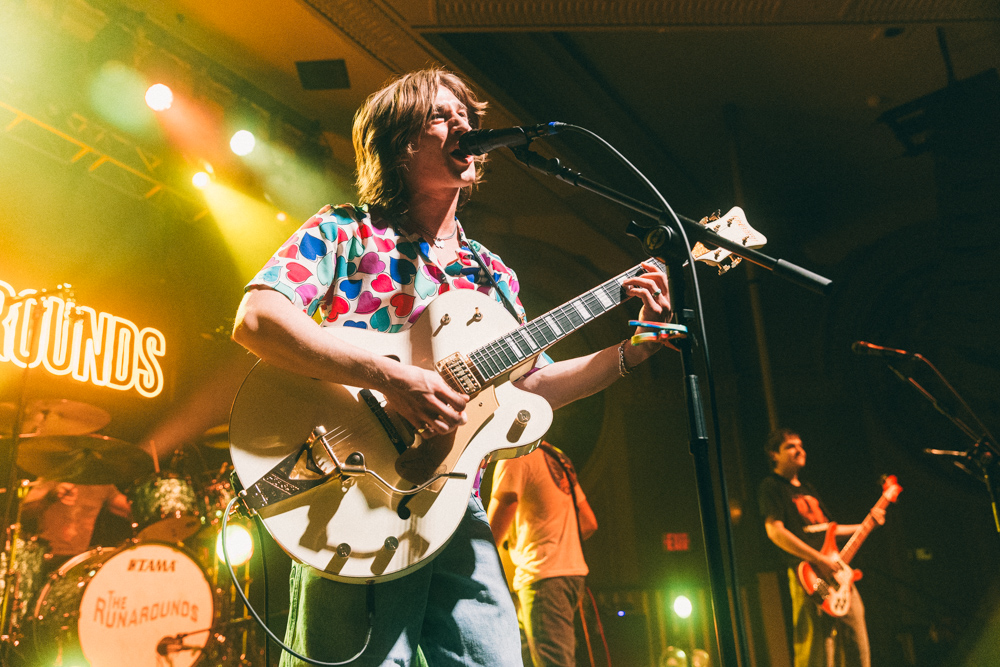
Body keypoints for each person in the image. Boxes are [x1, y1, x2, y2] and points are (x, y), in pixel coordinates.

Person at [231, 67, 671, 666]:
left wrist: (631, 352)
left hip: (452, 500)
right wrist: (390, 377)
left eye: (466, 115)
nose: (462, 125)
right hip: (349, 488)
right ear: (400, 144)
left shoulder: (492, 274)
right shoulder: (346, 231)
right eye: (440, 116)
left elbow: (532, 386)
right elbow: (258, 319)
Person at [757, 428, 884, 667]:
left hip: (837, 573)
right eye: (790, 446)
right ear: (774, 454)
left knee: (857, 638)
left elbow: (829, 529)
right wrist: (818, 559)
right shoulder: (771, 486)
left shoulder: (808, 488)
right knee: (818, 646)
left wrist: (867, 525)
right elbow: (775, 531)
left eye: (800, 445)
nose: (799, 450)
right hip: (808, 576)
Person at [488, 442, 598, 667]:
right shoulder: (557, 456)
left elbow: (497, 522)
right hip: (570, 576)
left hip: (542, 580)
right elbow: (588, 522)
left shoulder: (515, 455)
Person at [20, 479, 131, 571]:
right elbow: (22, 513)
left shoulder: (101, 482)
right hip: (43, 558)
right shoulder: (54, 475)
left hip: (77, 562)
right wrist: (51, 494)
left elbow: (129, 509)